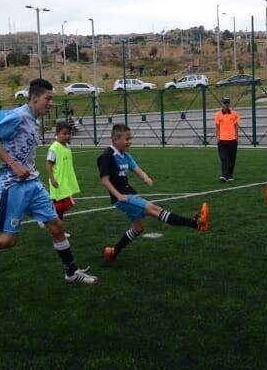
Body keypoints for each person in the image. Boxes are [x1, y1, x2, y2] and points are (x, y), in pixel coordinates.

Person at [0, 78, 97, 287]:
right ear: (34, 98)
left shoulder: (33, 121)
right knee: (8, 240)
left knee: (56, 226)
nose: (51, 103)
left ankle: (71, 272)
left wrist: (36, 178)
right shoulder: (18, 116)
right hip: (12, 185)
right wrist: (14, 165)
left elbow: (25, 156)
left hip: (31, 183)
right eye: (48, 98)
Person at [100, 123, 208, 263]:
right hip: (123, 198)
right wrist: (118, 195)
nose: (129, 142)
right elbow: (105, 180)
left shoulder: (124, 154)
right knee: (155, 209)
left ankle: (113, 252)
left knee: (138, 228)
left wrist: (145, 177)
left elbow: (135, 167)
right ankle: (196, 223)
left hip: (129, 194)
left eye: (130, 138)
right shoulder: (107, 156)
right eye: (127, 139)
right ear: (116, 139)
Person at [45, 119, 79, 235]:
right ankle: (47, 213)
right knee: (68, 204)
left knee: (62, 209)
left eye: (68, 134)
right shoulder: (54, 148)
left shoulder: (67, 146)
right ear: (57, 134)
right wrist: (52, 178)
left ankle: (58, 229)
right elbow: (48, 163)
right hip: (58, 182)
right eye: (64, 134)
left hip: (66, 182)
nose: (67, 136)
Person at [214, 96, 241, 182]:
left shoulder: (235, 114)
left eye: (227, 103)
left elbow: (236, 126)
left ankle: (230, 175)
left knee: (231, 159)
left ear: (229, 104)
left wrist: (236, 137)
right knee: (224, 158)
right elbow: (217, 127)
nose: (226, 104)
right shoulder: (218, 114)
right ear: (222, 104)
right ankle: (225, 175)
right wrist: (218, 138)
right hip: (222, 141)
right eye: (225, 103)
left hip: (232, 140)